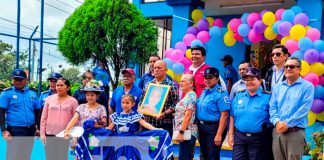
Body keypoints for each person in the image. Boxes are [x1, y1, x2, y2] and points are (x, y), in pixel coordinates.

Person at [269, 57, 314, 160]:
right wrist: (277, 122)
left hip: (295, 133)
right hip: (278, 132)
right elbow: (272, 107)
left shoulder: (307, 87)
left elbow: (304, 109)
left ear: (299, 69)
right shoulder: (278, 87)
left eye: (292, 66)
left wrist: (286, 124)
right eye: (286, 66)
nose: (288, 68)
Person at [228, 68, 273, 160]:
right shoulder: (239, 96)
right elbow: (232, 116)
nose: (249, 82)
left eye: (252, 79)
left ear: (259, 81)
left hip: (259, 139)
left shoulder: (268, 97)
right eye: (247, 80)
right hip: (240, 137)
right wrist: (230, 135)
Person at [0, 69, 41, 160]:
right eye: (15, 79)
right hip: (15, 130)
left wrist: (39, 128)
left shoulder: (33, 94)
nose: (17, 82)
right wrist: (4, 130)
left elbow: (37, 112)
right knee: (13, 156)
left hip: (30, 130)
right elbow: (1, 112)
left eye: (20, 80)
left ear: (26, 80)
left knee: (26, 155)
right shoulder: (6, 94)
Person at [196, 67, 230, 160]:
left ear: (217, 78)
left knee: (212, 156)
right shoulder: (204, 91)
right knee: (204, 155)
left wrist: (219, 134)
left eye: (210, 77)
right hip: (202, 127)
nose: (207, 80)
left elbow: (224, 115)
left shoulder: (221, 93)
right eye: (205, 77)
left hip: (213, 128)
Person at [40, 78, 78, 160]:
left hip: (65, 135)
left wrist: (75, 136)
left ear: (68, 88)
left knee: (62, 157)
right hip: (49, 134)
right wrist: (42, 133)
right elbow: (43, 117)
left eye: (61, 85)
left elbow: (75, 120)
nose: (59, 87)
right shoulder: (49, 99)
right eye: (57, 85)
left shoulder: (73, 101)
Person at [140, 60, 179, 136]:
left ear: (165, 70)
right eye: (155, 68)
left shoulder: (171, 85)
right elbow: (141, 101)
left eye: (159, 68)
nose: (156, 70)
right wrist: (141, 109)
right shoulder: (148, 85)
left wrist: (164, 113)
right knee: (149, 147)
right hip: (148, 123)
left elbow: (176, 103)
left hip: (164, 123)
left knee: (163, 146)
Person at [174, 74, 198, 160]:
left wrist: (181, 132)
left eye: (184, 81)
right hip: (185, 132)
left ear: (191, 83)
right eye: (181, 81)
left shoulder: (191, 96)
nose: (181, 83)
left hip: (187, 132)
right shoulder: (187, 96)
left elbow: (188, 115)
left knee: (184, 157)